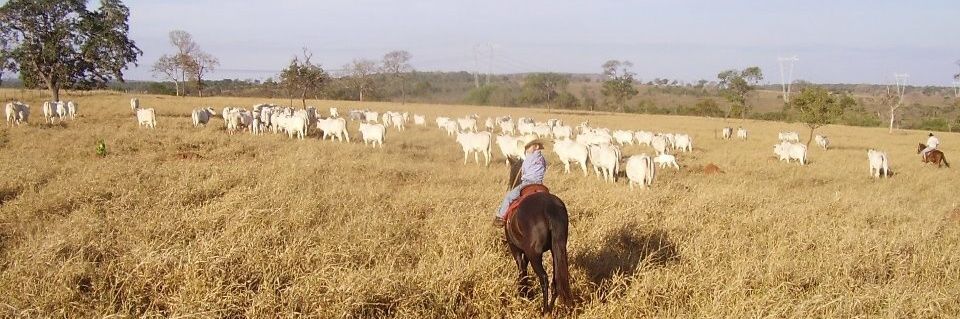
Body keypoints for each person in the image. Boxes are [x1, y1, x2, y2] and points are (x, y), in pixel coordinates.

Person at [494, 140, 546, 226]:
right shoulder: (543, 159)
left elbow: (524, 171)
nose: (526, 149)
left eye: (528, 147)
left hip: (527, 183)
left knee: (509, 197)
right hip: (540, 184)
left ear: (536, 146)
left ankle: (500, 217)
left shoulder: (528, 158)